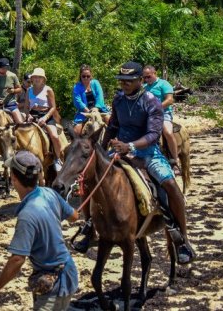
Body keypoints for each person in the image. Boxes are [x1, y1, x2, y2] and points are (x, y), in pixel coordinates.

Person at [76, 61, 195, 264]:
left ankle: (182, 239)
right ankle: (88, 226)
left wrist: (130, 146)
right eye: (122, 81)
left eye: (129, 81)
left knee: (171, 185)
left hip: (148, 154)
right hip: (118, 150)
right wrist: (102, 149)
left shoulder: (152, 102)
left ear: (140, 80)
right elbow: (113, 126)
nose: (124, 84)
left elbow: (153, 134)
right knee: (88, 178)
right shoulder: (119, 99)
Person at [0, 151, 79, 311]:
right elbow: (74, 216)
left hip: (54, 284)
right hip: (66, 273)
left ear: (13, 178)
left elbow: (17, 260)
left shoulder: (27, 215)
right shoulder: (49, 193)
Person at [142, 65, 180, 175]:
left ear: (155, 73)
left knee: (167, 132)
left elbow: (169, 100)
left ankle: (175, 160)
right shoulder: (144, 87)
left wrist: (156, 108)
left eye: (148, 77)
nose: (146, 79)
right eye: (144, 77)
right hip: (148, 115)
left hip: (164, 113)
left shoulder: (164, 84)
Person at [26, 68, 64, 171]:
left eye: (39, 77)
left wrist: (45, 117)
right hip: (33, 115)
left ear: (43, 79)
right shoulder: (29, 90)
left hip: (46, 115)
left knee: (54, 136)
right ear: (32, 79)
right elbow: (26, 106)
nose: (37, 79)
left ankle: (57, 158)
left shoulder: (48, 90)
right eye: (35, 77)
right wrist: (28, 115)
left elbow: (53, 107)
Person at [71, 64, 110, 136]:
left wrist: (96, 108)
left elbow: (100, 96)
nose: (86, 78)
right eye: (83, 76)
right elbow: (78, 101)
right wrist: (88, 111)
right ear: (80, 76)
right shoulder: (76, 87)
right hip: (84, 112)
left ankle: (113, 141)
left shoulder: (96, 83)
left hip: (99, 109)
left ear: (91, 76)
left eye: (88, 76)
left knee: (109, 120)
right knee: (76, 131)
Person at [0, 57, 24, 124]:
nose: (5, 69)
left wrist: (13, 91)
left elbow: (20, 89)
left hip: (11, 104)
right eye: (3, 68)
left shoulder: (13, 76)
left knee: (20, 122)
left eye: (6, 67)